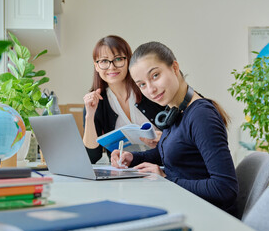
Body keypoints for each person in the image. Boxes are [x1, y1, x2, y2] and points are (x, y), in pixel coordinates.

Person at [111, 41, 238, 216]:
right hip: (182, 206)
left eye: (155, 75)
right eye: (142, 84)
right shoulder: (175, 111)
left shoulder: (201, 116)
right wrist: (132, 158)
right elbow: (172, 155)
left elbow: (225, 189)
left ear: (174, 67)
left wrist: (166, 179)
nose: (151, 89)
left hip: (207, 217)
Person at [83, 36, 164, 164]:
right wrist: (89, 116)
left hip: (163, 165)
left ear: (129, 61)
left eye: (118, 59)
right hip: (126, 172)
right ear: (96, 66)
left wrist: (165, 138)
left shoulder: (147, 88)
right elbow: (92, 157)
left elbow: (180, 130)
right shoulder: (96, 101)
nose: (111, 67)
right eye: (104, 61)